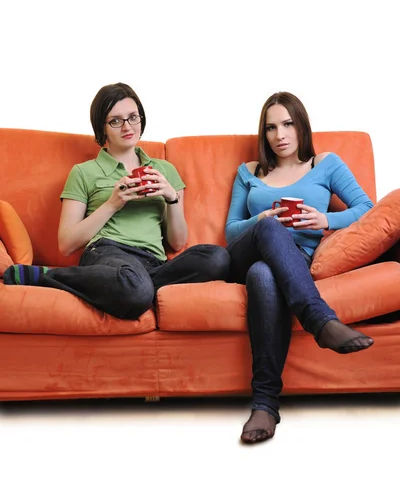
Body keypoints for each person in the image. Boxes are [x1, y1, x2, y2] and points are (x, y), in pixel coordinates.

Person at [4, 82, 230, 318]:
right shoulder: (84, 172)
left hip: (153, 261)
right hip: (107, 253)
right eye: (116, 120)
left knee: (217, 258)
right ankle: (51, 276)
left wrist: (171, 197)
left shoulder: (164, 170)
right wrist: (113, 203)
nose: (127, 126)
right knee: (136, 291)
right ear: (102, 128)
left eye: (133, 117)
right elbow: (66, 243)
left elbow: (177, 242)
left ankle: (130, 283)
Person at [225, 91, 374, 444]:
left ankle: (264, 404)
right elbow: (231, 233)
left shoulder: (326, 164)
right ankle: (320, 320)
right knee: (267, 228)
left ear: (301, 125)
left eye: (288, 124)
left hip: (294, 262)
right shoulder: (249, 172)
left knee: (263, 274)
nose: (280, 135)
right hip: (245, 252)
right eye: (271, 127)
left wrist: (325, 219)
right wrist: (260, 219)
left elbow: (367, 207)